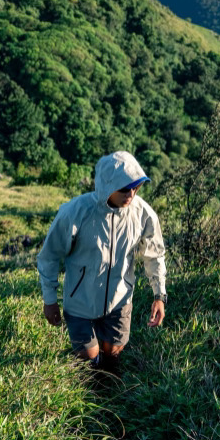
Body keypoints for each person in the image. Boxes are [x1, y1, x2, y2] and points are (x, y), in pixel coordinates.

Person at [38, 150, 167, 371]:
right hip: (79, 302)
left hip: (119, 301)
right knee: (88, 360)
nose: (132, 194)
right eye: (125, 188)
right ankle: (86, 395)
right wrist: (50, 300)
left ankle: (110, 393)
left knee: (112, 358)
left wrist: (159, 295)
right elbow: (49, 256)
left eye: (136, 187)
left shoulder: (143, 213)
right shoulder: (75, 212)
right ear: (107, 185)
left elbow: (154, 255)